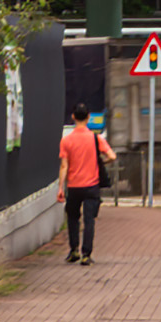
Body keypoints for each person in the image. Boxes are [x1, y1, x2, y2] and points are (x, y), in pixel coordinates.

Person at [59, 98, 104, 263]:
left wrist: (60, 189)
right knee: (89, 219)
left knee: (72, 218)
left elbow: (64, 166)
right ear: (88, 117)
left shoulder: (66, 140)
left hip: (74, 186)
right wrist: (99, 163)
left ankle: (73, 251)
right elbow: (112, 156)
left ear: (73, 116)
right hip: (92, 186)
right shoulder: (95, 139)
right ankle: (86, 254)